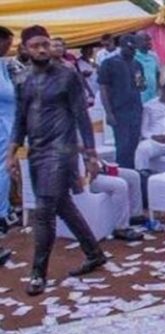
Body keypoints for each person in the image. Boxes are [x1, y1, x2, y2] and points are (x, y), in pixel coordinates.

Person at [7, 26, 107, 296]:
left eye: (45, 44)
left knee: (43, 210)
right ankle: (94, 253)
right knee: (62, 204)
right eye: (36, 45)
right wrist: (11, 154)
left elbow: (82, 117)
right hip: (36, 152)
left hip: (62, 151)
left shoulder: (67, 75)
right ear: (25, 49)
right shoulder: (22, 79)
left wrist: (91, 155)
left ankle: (38, 273)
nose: (42, 49)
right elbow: (20, 120)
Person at [99, 34, 145, 169]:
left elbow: (141, 86)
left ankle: (133, 174)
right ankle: (122, 174)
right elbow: (103, 89)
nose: (133, 52)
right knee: (123, 146)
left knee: (134, 145)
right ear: (122, 46)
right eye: (130, 48)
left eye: (135, 49)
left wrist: (140, 81)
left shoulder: (137, 64)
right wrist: (108, 113)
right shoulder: (109, 63)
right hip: (119, 111)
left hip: (135, 110)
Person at [89, 161, 145, 241]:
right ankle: (121, 228)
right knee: (120, 185)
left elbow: (95, 160)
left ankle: (135, 216)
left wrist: (103, 165)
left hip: (99, 171)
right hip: (87, 178)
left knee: (133, 176)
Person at [0, 26, 15, 236]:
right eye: (7, 44)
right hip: (2, 126)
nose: (8, 48)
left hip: (8, 124)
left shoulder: (3, 64)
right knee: (3, 170)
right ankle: (1, 213)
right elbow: (8, 94)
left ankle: (5, 208)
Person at [135, 31, 160, 104]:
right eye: (146, 40)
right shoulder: (134, 56)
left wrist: (157, 89)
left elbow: (157, 74)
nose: (150, 42)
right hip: (140, 98)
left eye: (150, 39)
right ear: (138, 42)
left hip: (153, 96)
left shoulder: (154, 56)